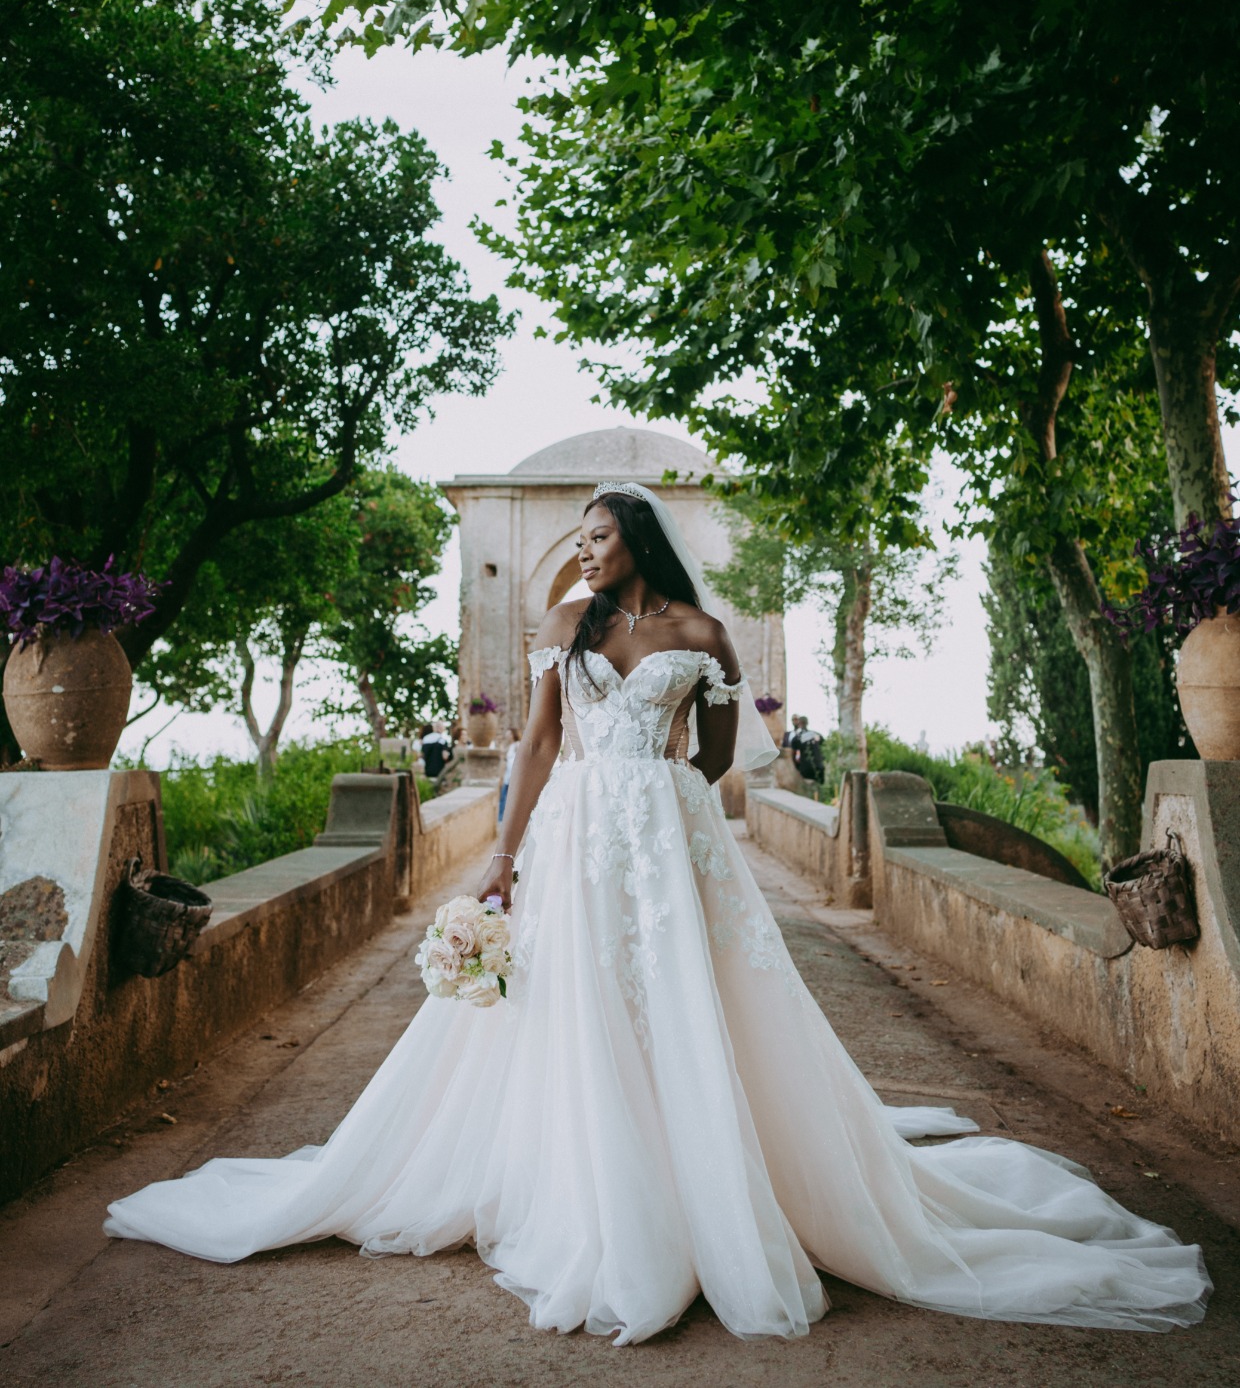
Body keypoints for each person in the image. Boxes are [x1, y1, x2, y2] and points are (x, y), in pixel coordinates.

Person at [103, 482, 1210, 1344]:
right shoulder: (566, 623)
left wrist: (672, 767)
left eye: (597, 536)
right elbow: (536, 742)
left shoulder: (704, 633)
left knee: (685, 995)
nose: (583, 551)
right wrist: (503, 854)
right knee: (574, 994)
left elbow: (724, 757)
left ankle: (709, 1184)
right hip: (578, 826)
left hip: (666, 831)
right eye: (576, 538)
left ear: (637, 534)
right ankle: (591, 1180)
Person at [782, 713, 825, 783]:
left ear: (799, 724)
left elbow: (793, 752)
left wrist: (797, 766)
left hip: (806, 768)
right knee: (820, 789)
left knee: (807, 790)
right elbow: (823, 745)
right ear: (807, 723)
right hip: (819, 766)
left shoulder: (797, 738)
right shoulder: (817, 734)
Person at [497, 725, 520, 822]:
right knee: (503, 798)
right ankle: (501, 819)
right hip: (507, 777)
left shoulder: (517, 745)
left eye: (509, 733)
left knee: (510, 799)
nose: (507, 735)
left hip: (513, 777)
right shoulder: (509, 747)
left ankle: (507, 819)